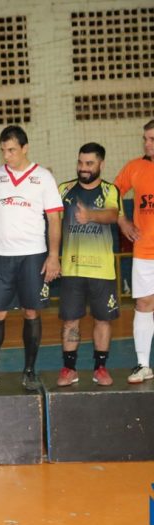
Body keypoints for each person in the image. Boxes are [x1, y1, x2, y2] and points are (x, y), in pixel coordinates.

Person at [0, 125, 62, 392]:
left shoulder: (43, 177)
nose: (6, 155)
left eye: (11, 150)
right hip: (2, 256)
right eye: (3, 150)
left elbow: (54, 220)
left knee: (31, 311)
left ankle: (30, 371)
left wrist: (54, 255)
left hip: (33, 255)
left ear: (25, 148)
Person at [57, 144, 121, 386]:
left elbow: (113, 215)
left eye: (89, 163)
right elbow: (53, 224)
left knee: (103, 320)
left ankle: (100, 368)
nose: (83, 168)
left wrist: (90, 215)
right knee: (70, 321)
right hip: (72, 269)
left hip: (102, 270)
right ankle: (69, 368)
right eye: (80, 163)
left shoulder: (109, 190)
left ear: (101, 164)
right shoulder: (64, 190)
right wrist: (52, 256)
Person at [114, 119, 154, 383]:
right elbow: (111, 194)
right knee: (143, 304)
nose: (147, 144)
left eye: (152, 139)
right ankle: (143, 364)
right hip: (145, 250)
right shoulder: (134, 167)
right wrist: (122, 220)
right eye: (145, 139)